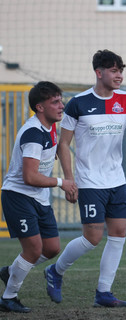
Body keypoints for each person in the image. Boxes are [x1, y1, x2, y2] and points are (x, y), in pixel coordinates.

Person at [44, 49, 126, 308]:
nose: (119, 76)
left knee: (119, 233)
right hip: (89, 181)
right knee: (92, 238)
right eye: (114, 71)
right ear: (98, 72)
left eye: (121, 71)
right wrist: (69, 180)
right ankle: (55, 271)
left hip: (116, 180)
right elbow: (63, 144)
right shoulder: (78, 103)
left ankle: (104, 292)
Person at [0, 82, 77, 313]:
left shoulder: (50, 126)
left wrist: (69, 177)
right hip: (18, 196)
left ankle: (10, 271)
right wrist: (64, 183)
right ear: (39, 107)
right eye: (55, 102)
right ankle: (8, 297)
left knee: (52, 248)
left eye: (61, 100)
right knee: (33, 250)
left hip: (39, 197)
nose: (61, 106)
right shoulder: (33, 133)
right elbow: (29, 177)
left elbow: (59, 148)